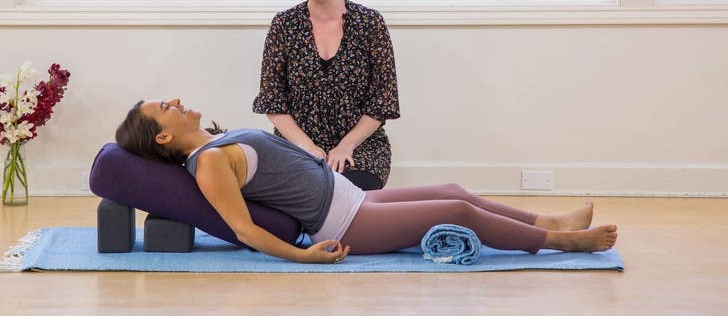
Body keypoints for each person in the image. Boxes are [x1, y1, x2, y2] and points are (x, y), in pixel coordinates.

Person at [115, 98, 618, 265]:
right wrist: (305, 258)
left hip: (352, 196)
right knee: (458, 214)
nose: (175, 101)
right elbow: (243, 228)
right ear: (163, 136)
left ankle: (551, 220)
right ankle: (561, 242)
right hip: (346, 221)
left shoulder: (216, 141)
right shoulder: (207, 164)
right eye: (165, 107)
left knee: (453, 192)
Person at [253, 0, 399, 191]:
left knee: (342, 195)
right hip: (296, 149)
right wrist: (308, 148)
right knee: (309, 194)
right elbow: (272, 101)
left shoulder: (370, 23)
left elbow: (382, 101)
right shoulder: (283, 25)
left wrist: (345, 146)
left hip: (359, 150)